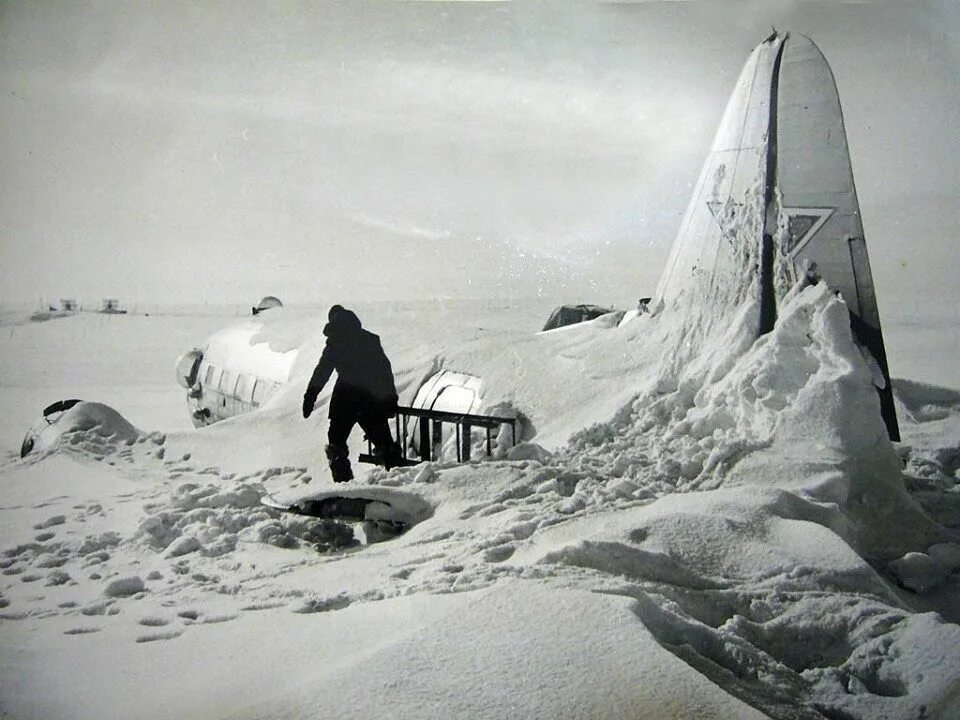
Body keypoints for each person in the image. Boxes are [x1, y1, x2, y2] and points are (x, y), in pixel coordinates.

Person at [302, 305, 402, 482]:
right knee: (385, 444)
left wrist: (310, 396)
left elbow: (322, 371)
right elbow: (384, 370)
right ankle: (398, 480)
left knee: (336, 444)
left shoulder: (335, 343)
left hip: (344, 400)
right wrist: (389, 398)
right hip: (370, 399)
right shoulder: (369, 340)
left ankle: (344, 483)